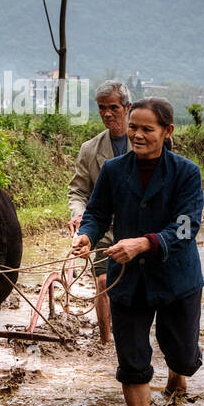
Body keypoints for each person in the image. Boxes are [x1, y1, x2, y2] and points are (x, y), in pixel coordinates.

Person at [71, 97, 204, 406]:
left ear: (167, 130)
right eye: (133, 127)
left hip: (176, 278)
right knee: (132, 361)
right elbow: (97, 213)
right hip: (127, 278)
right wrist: (87, 233)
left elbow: (187, 228)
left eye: (148, 129)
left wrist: (145, 244)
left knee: (183, 355)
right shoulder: (114, 171)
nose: (138, 135)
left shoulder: (186, 173)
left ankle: (177, 374)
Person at [67, 80, 132, 344]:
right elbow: (78, 190)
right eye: (102, 108)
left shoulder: (147, 142)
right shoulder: (90, 149)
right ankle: (106, 341)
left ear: (127, 108)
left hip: (139, 227)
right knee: (104, 281)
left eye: (113, 107)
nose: (107, 114)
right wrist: (79, 214)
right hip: (103, 228)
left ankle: (134, 334)